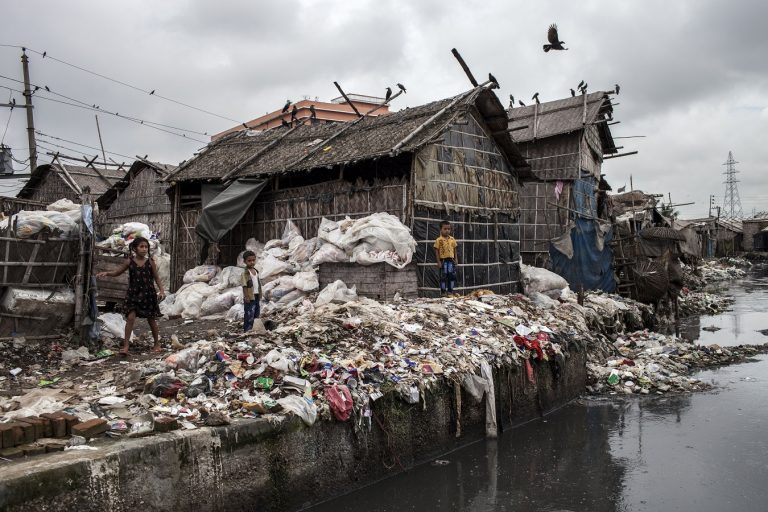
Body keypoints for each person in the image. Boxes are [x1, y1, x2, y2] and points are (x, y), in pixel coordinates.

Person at [96, 237, 165, 355]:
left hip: (148, 294)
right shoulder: (130, 261)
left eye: (146, 247)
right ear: (135, 248)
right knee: (130, 318)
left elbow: (156, 277)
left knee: (151, 319)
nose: (144, 249)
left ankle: (156, 344)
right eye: (141, 247)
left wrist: (162, 291)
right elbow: (118, 272)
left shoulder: (150, 262)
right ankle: (126, 346)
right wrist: (107, 273)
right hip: (133, 294)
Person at [434, 220, 459, 295]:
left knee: (451, 276)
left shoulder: (452, 239)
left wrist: (456, 259)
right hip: (443, 261)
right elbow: (436, 251)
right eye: (445, 229)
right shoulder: (439, 240)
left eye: (448, 229)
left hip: (451, 260)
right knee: (443, 276)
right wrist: (438, 261)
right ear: (440, 229)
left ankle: (450, 291)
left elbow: (455, 249)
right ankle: (443, 291)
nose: (447, 231)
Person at [241, 250, 262, 332]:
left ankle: (254, 328)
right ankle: (247, 330)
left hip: (256, 295)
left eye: (253, 260)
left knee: (256, 312)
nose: (252, 262)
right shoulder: (245, 273)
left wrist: (260, 294)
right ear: (244, 261)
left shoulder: (256, 271)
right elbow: (244, 285)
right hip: (250, 296)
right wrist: (246, 296)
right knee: (249, 313)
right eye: (249, 261)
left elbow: (258, 284)